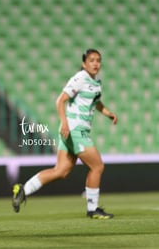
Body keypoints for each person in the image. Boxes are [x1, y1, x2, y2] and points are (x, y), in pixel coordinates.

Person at [12, 49, 118, 219]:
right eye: (91, 60)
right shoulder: (80, 78)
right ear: (84, 63)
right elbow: (60, 100)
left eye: (98, 60)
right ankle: (93, 209)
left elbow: (96, 102)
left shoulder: (96, 82)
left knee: (60, 171)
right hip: (75, 130)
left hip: (74, 132)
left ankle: (23, 190)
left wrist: (108, 113)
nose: (96, 63)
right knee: (97, 166)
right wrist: (65, 122)